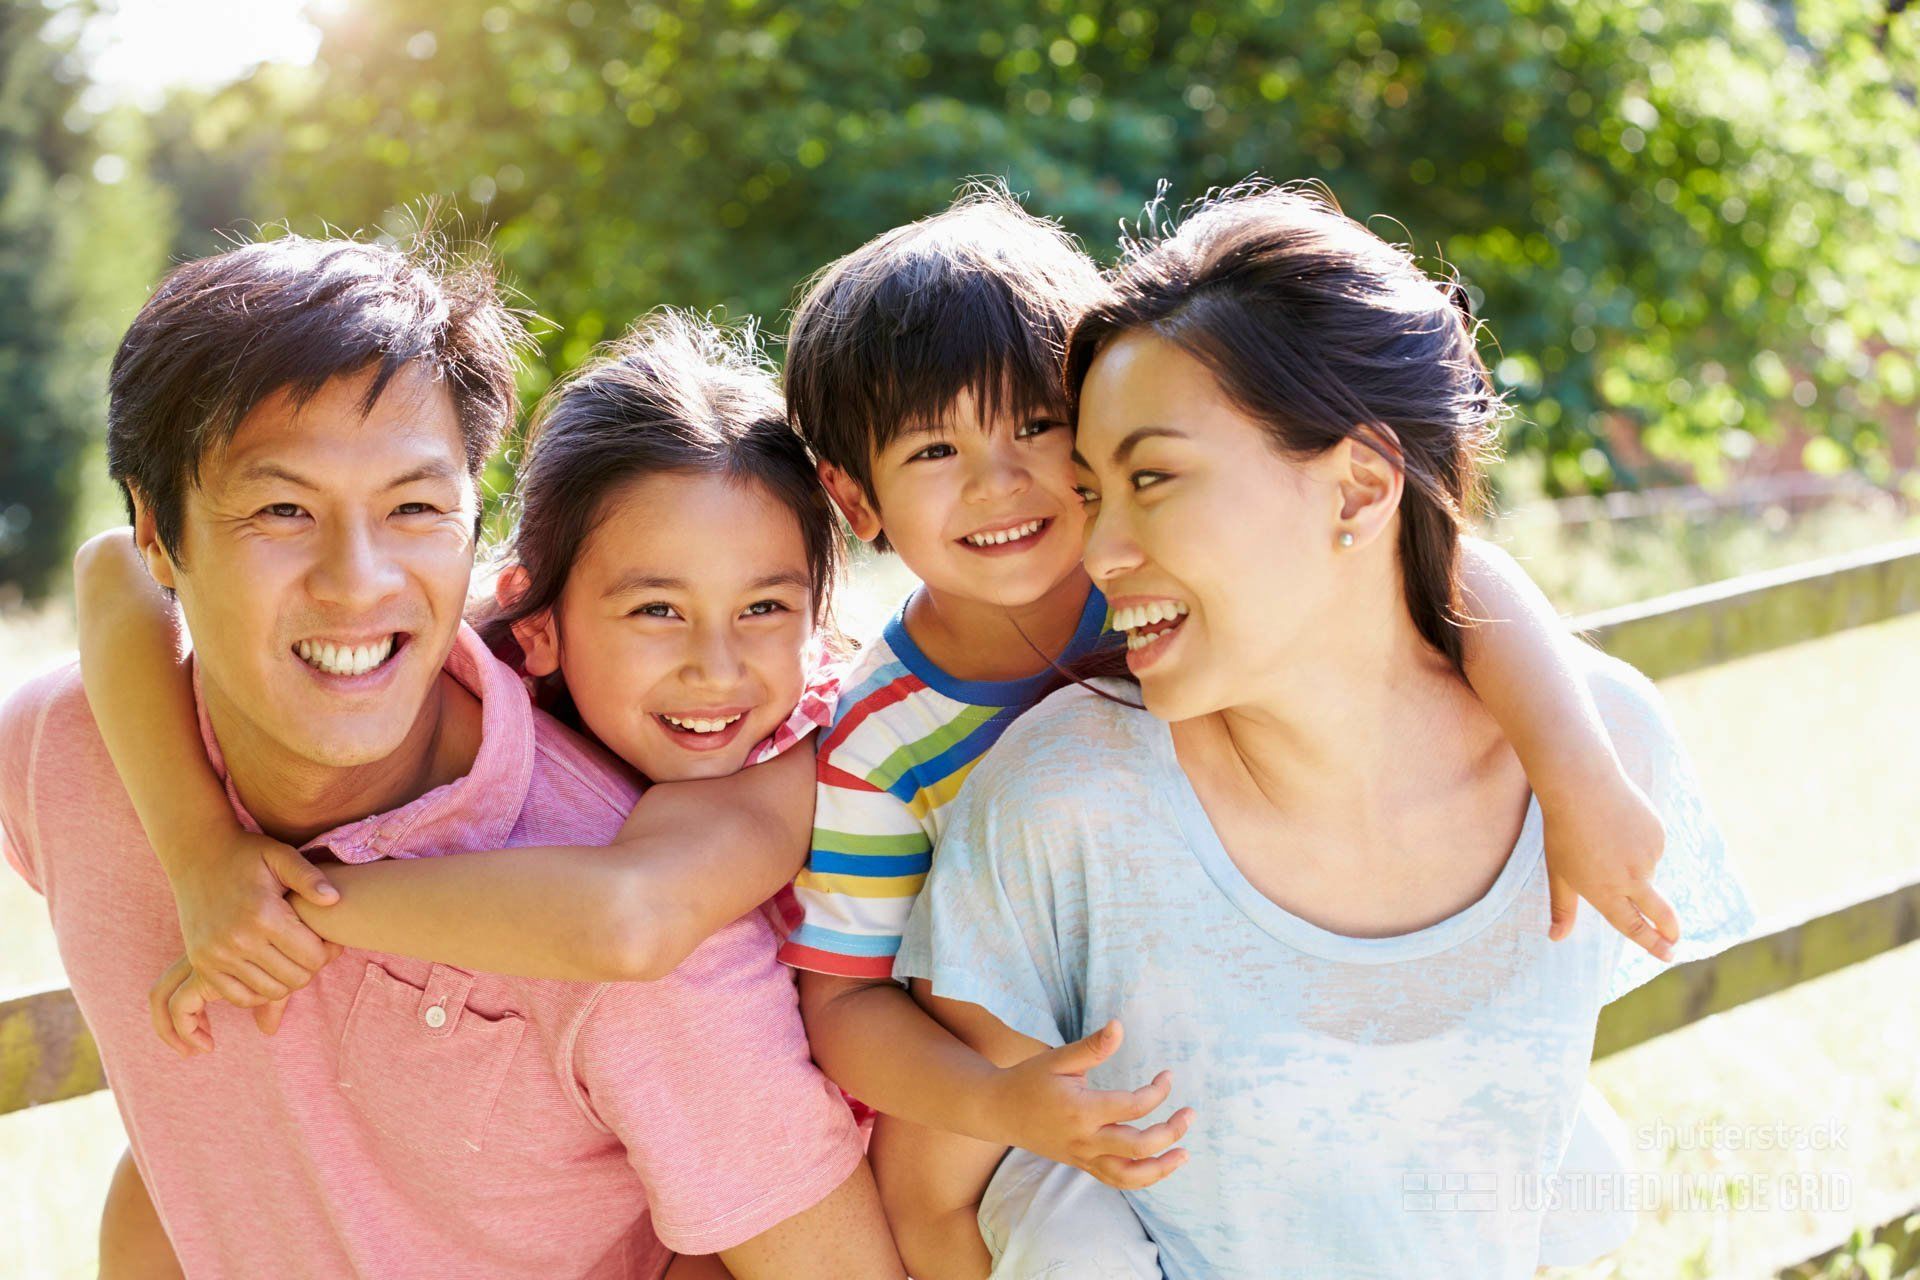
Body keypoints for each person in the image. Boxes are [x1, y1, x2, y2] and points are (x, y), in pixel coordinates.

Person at [777, 186, 1687, 1277]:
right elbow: (846, 1000)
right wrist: (1000, 1102)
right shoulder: (890, 733)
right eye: (934, 451)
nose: (1003, 481)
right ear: (855, 496)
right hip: (1029, 1060)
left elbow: (1446, 565)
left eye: (1041, 432)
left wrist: (1570, 761)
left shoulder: (1155, 586)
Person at [0, 238, 898, 1279]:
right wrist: (201, 849)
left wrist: (284, 903)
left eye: (415, 506)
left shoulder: (655, 940)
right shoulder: (73, 748)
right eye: (283, 507)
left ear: (476, 526)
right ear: (162, 531)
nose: (356, 579)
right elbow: (105, 575)